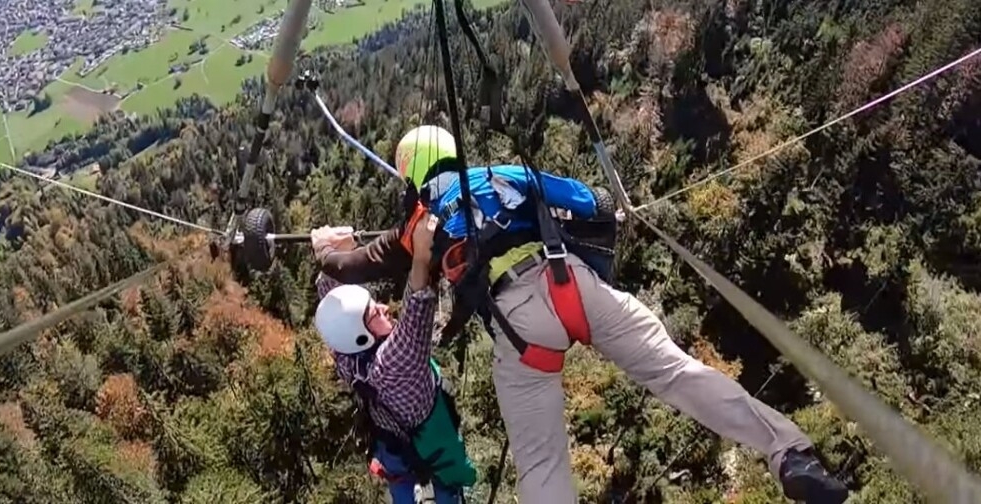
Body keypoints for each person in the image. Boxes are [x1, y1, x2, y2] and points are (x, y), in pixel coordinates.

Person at [320, 125, 850, 504]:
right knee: (676, 371)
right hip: (572, 283)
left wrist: (325, 249)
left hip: (517, 328)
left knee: (543, 463)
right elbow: (587, 201)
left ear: (410, 175)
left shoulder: (417, 228)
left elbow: (350, 265)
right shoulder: (502, 175)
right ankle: (789, 453)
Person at [310, 213, 477, 504]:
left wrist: (331, 252)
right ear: (362, 334)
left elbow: (334, 298)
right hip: (434, 463)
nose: (385, 308)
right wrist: (422, 247)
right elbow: (418, 297)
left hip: (398, 458)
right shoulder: (397, 362)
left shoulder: (346, 352)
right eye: (375, 313)